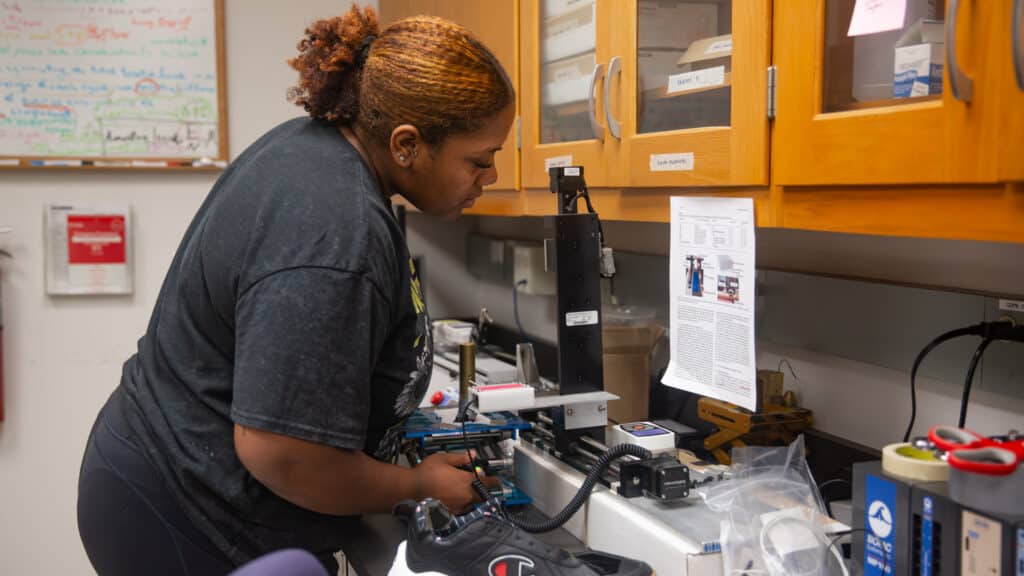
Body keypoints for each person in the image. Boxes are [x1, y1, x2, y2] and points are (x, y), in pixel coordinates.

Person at [76, 5, 515, 575]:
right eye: (479, 160)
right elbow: (283, 453)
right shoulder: (337, 232)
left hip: (162, 470)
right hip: (189, 513)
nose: (492, 177)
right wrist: (413, 484)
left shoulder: (319, 152)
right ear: (406, 144)